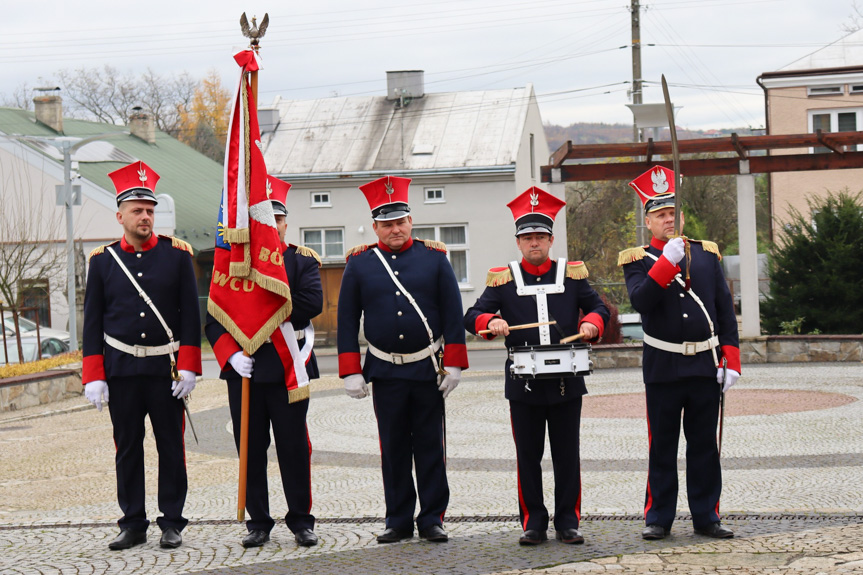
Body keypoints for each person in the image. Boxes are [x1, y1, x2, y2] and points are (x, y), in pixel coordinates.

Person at [464, 187, 609, 546]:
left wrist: (591, 324)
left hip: (566, 382)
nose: (534, 244)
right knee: (528, 456)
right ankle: (533, 521)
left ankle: (568, 521)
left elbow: (599, 308)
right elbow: (472, 315)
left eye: (540, 237)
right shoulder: (504, 278)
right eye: (527, 238)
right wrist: (490, 322)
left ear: (551, 239)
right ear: (518, 242)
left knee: (566, 455)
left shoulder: (572, 274)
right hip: (524, 384)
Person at [337, 175, 468, 544]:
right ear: (375, 226)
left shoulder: (435, 259)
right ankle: (397, 519)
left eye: (401, 221)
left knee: (429, 445)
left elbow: (452, 312)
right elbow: (346, 319)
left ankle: (432, 518)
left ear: (411, 221)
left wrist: (454, 362)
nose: (395, 229)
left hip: (427, 368)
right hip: (385, 369)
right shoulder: (360, 264)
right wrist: (350, 371)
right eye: (387, 224)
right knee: (393, 448)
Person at [82, 160, 201, 550]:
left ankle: (172, 522)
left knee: (171, 446)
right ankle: (133, 522)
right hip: (121, 370)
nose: (145, 216)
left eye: (150, 210)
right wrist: (94, 375)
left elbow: (190, 316)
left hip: (164, 370)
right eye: (137, 210)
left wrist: (188, 366)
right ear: (121, 216)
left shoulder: (178, 255)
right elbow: (93, 321)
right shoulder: (102, 261)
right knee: (127, 447)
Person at [618, 165, 741, 541]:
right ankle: (658, 517)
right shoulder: (637, 259)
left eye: (673, 213)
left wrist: (731, 360)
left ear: (682, 216)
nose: (668, 219)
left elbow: (723, 309)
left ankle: (707, 516)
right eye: (660, 215)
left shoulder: (706, 255)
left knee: (704, 446)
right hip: (663, 366)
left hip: (705, 364)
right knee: (663, 446)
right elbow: (641, 301)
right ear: (649, 222)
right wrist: (667, 262)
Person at [205, 175, 322, 548]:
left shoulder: (301, 261)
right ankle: (258, 522)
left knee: (293, 448)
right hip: (246, 370)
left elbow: (310, 305)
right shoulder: (232, 263)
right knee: (250, 449)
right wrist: (230, 354)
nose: (271, 227)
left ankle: (302, 521)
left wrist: (262, 299)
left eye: (278, 220)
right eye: (263, 220)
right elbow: (212, 315)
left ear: (285, 223)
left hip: (287, 366)